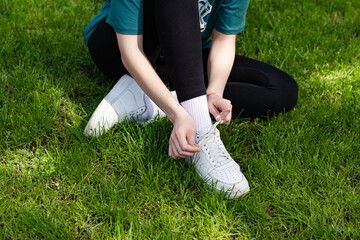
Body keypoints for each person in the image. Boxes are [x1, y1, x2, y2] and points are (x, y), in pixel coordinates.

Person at [82, 0, 298, 199]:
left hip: (184, 58)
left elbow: (223, 40)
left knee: (281, 89)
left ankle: (148, 102)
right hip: (121, 49)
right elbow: (130, 51)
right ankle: (200, 130)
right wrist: (178, 115)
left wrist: (214, 93)